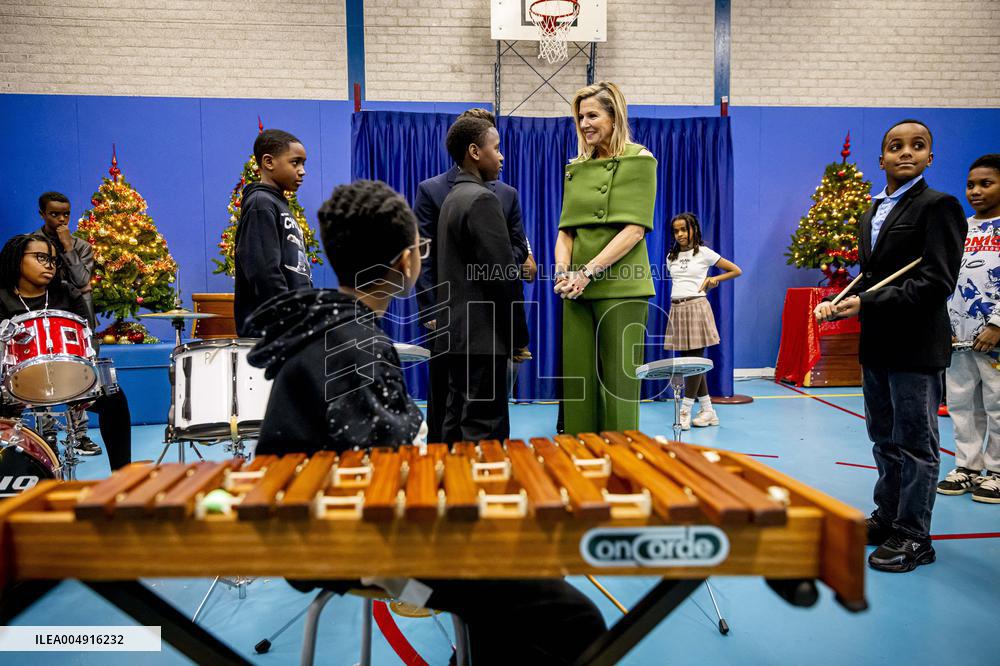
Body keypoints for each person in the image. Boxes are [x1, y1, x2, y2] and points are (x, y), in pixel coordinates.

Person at [247, 179, 605, 664]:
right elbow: (389, 490)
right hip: (359, 556)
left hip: (327, 531)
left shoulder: (329, 328)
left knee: (519, 568)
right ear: (406, 262)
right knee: (573, 616)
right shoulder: (358, 348)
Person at [815, 119, 966, 572]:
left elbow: (935, 282)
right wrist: (845, 302)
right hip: (877, 344)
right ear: (881, 158)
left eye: (918, 146)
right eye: (896, 147)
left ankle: (915, 535)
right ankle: (889, 517)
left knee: (916, 442)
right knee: (883, 437)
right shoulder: (871, 211)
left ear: (930, 158)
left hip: (916, 345)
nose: (906, 153)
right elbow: (875, 275)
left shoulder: (940, 207)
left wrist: (864, 302)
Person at [414, 108, 535, 443]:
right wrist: (518, 337)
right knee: (482, 428)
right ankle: (476, 493)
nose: (502, 156)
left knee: (455, 421)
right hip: (482, 335)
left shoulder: (456, 196)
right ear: (474, 151)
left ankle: (453, 490)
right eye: (496, 149)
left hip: (460, 333)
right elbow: (502, 277)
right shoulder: (480, 198)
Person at [555, 81, 656, 434]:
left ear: (614, 117)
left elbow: (634, 231)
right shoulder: (575, 167)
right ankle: (581, 455)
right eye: (580, 117)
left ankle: (622, 456)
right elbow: (566, 231)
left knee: (619, 384)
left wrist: (586, 273)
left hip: (622, 286)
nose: (584, 123)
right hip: (576, 290)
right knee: (578, 381)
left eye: (592, 115)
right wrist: (562, 273)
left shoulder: (640, 160)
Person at [0, 233, 132, 471]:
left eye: (52, 260)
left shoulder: (66, 292)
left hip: (68, 376)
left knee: (114, 398)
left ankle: (123, 476)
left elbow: (86, 335)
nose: (49, 265)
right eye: (41, 257)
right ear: (17, 259)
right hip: (16, 383)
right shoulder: (1, 297)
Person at [938, 154, 1000, 504]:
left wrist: (997, 325)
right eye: (971, 184)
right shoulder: (961, 228)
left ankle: (998, 471)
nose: (975, 191)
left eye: (986, 184)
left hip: (994, 339)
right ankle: (967, 466)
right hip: (957, 336)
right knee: (962, 404)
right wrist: (943, 323)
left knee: (997, 404)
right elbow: (946, 278)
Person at [663, 212, 742, 429]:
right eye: (676, 231)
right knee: (691, 363)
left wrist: (714, 279)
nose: (680, 234)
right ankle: (708, 411)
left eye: (684, 229)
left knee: (694, 362)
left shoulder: (705, 253)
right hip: (677, 309)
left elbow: (736, 270)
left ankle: (685, 411)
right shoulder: (671, 257)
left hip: (697, 307)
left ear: (693, 230)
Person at [35, 191, 99, 454]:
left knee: (79, 376)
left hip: (77, 319)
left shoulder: (80, 246)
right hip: (44, 317)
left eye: (66, 214)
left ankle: (79, 434)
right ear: (42, 214)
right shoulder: (32, 245)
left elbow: (82, 281)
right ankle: (47, 434)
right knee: (41, 374)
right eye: (54, 214)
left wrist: (68, 248)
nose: (61, 220)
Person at [233, 128, 312, 336]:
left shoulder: (278, 205)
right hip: (270, 334)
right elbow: (264, 270)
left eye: (303, 163)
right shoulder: (260, 203)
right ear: (268, 162)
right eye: (295, 162)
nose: (302, 170)